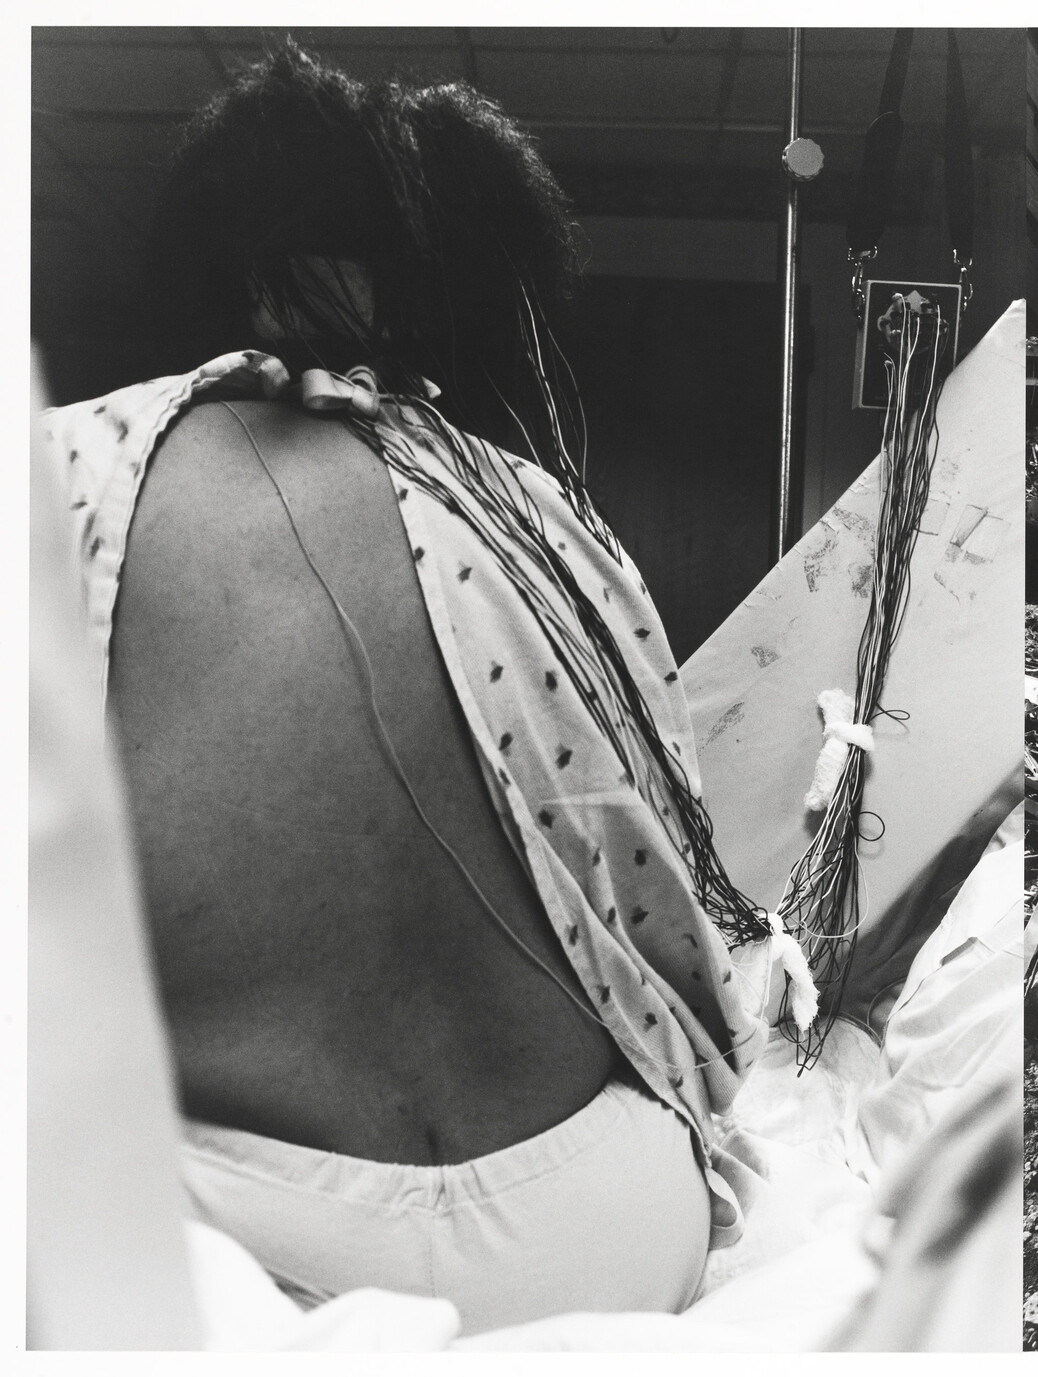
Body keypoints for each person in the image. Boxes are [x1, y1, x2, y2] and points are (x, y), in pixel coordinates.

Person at [43, 43, 776, 1335]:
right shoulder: (550, 519)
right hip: (604, 1232)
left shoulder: (67, 469)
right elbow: (676, 928)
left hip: (238, 1233)